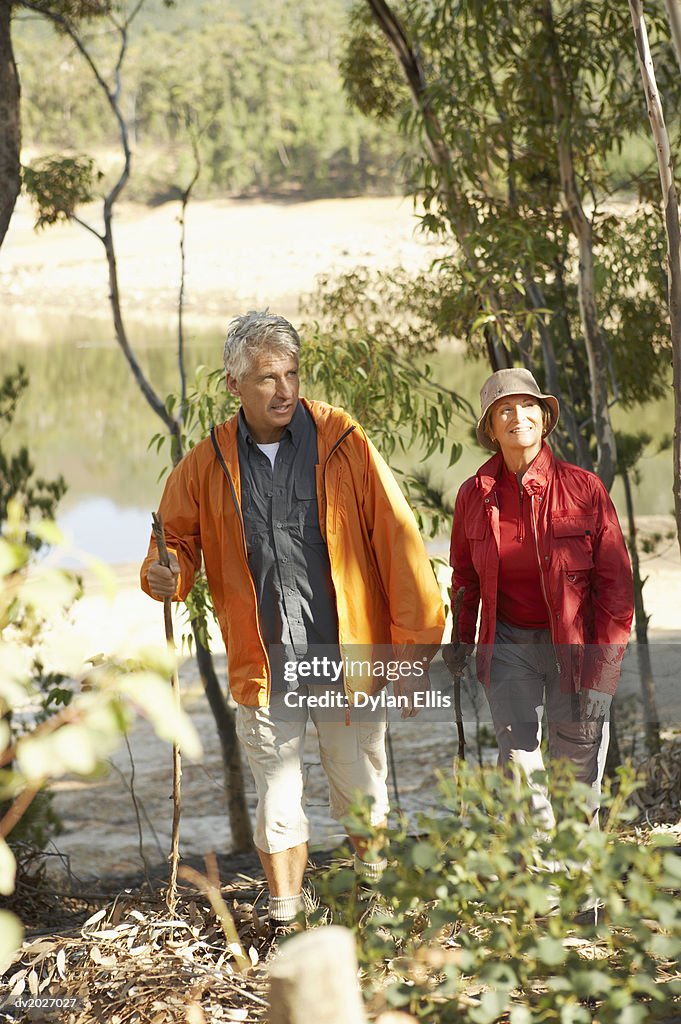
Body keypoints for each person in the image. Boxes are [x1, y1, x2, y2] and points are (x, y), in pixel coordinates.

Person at [141, 310, 445, 935]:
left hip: (346, 658)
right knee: (278, 799)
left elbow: (398, 538)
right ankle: (286, 914)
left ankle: (379, 904)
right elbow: (173, 540)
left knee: (359, 787)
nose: (284, 390)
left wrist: (415, 647)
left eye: (291, 374)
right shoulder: (207, 463)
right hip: (265, 660)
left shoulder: (343, 440)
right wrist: (163, 573)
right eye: (266, 377)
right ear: (233, 385)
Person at [444, 368, 634, 827]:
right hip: (508, 645)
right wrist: (462, 639)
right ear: (491, 429)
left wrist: (603, 674)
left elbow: (615, 588)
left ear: (544, 419)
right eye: (504, 410)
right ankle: (546, 890)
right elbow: (465, 575)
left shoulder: (584, 488)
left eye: (528, 406)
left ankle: (581, 893)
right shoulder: (474, 495)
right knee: (523, 770)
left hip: (575, 647)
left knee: (576, 776)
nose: (518, 416)